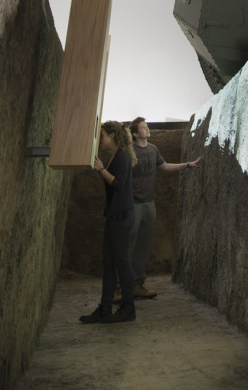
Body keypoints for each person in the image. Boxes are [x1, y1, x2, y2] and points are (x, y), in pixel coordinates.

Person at [119, 118, 201, 300]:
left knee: (144, 245)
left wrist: (188, 165)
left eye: (147, 126)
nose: (147, 129)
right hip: (133, 203)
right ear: (135, 133)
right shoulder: (129, 151)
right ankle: (120, 286)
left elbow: (164, 166)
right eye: (143, 127)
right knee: (128, 245)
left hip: (149, 203)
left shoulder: (153, 149)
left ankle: (137, 284)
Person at [79, 121, 138, 325]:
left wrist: (101, 169)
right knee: (108, 264)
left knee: (121, 263)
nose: (100, 138)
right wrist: (102, 169)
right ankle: (105, 309)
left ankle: (128, 308)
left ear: (112, 135)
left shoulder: (121, 155)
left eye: (102, 134)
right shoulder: (115, 155)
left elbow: (119, 184)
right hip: (115, 214)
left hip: (121, 215)